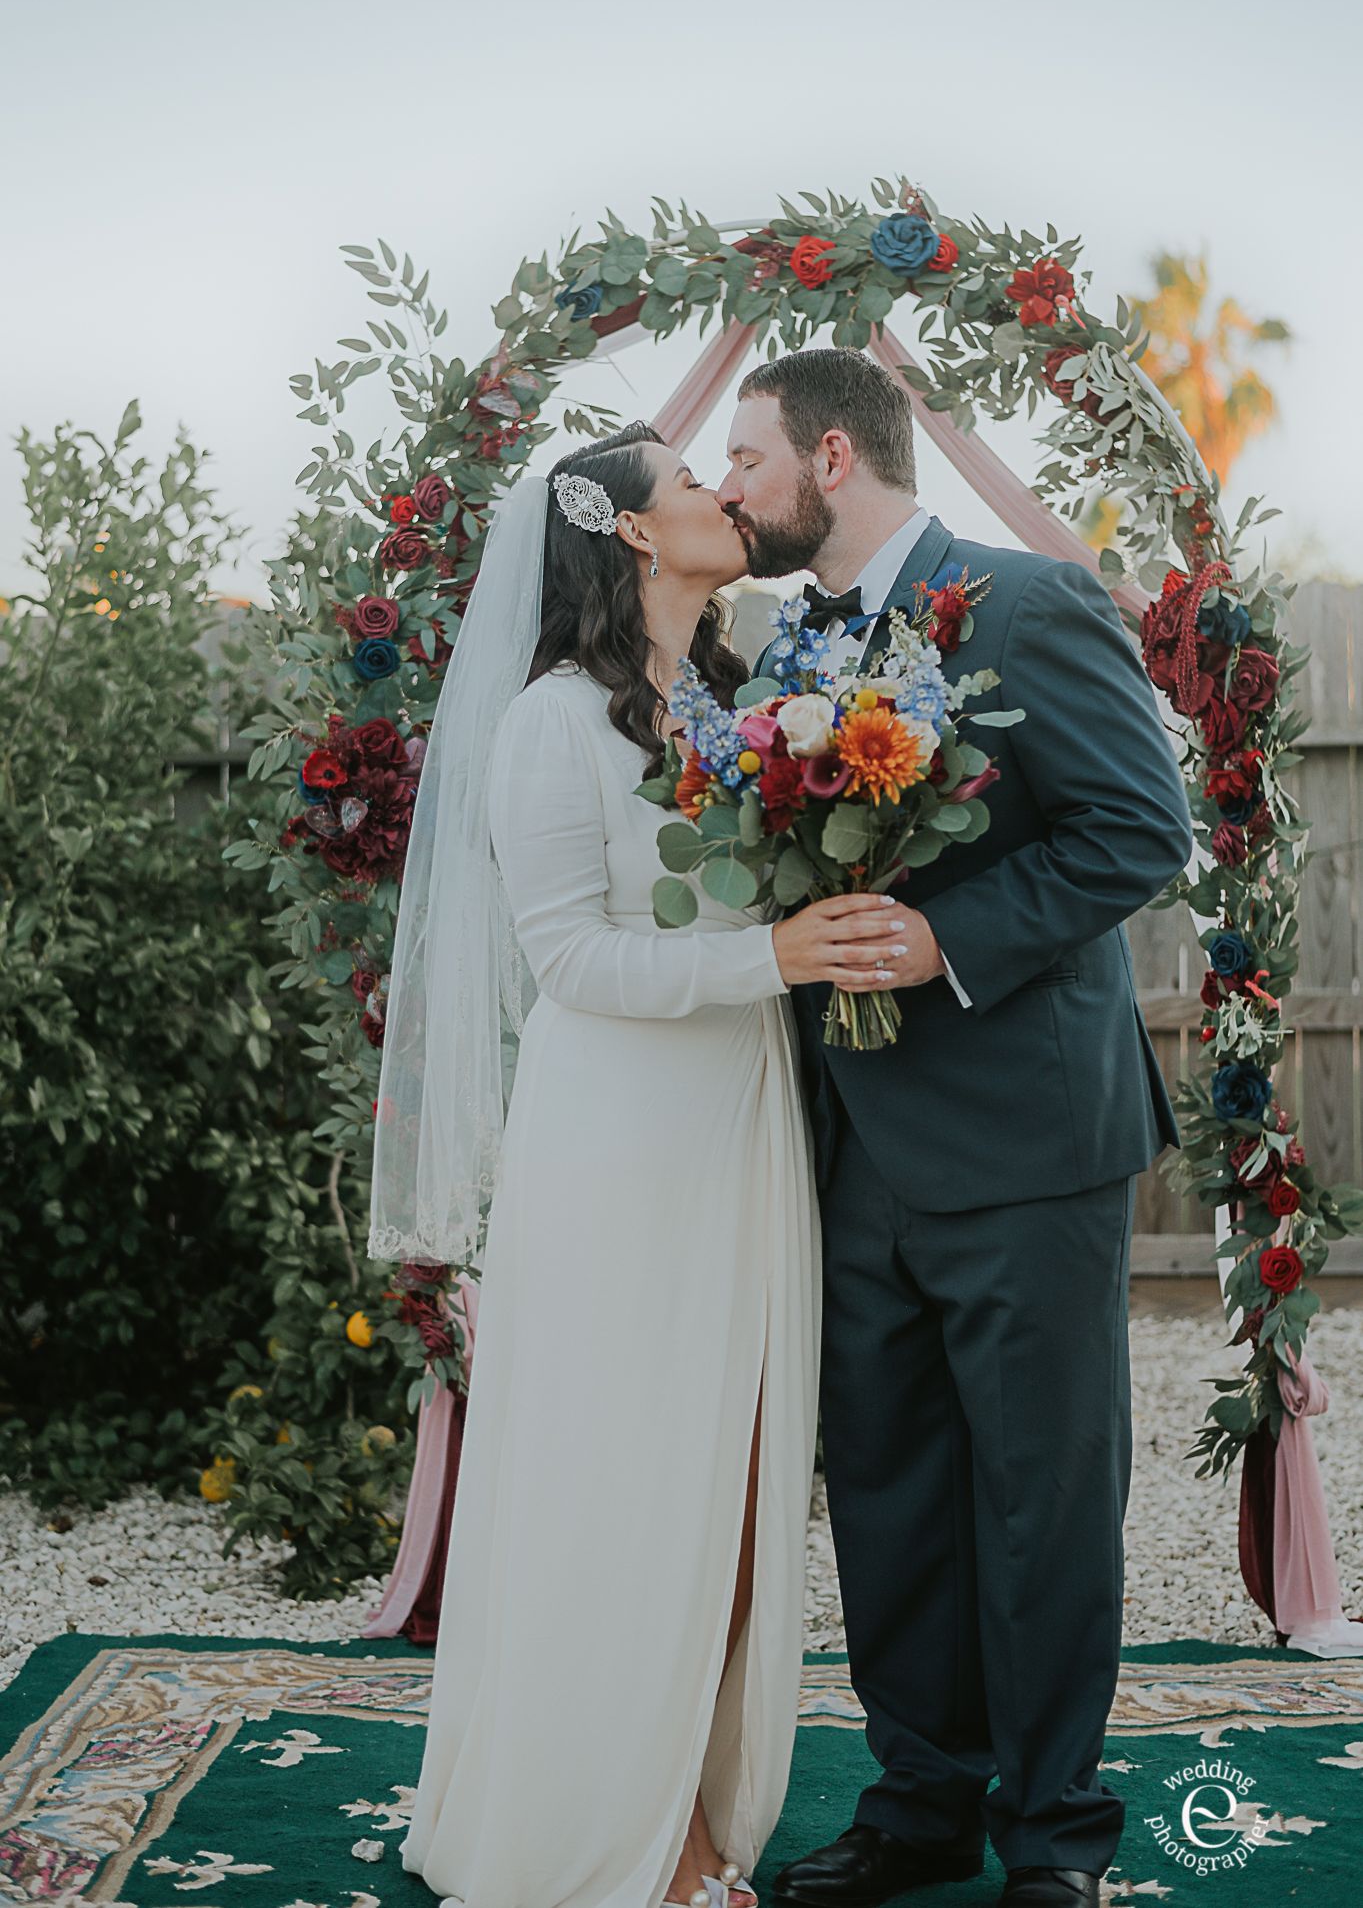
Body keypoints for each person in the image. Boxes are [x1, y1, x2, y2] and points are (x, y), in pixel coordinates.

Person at [368, 425, 908, 1908]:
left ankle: (690, 1795)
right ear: (625, 532)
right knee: (628, 1476)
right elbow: (570, 958)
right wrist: (774, 957)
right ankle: (627, 1834)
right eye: (690, 484)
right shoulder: (553, 723)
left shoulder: (731, 703)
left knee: (739, 1470)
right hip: (618, 1142)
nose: (723, 494)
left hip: (743, 1118)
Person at [718, 348, 1195, 1908]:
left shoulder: (1029, 605)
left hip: (1028, 1142)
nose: (730, 488)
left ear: (832, 455)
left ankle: (1055, 1833)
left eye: (748, 457)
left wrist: (948, 939)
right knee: (891, 1493)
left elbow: (1140, 830)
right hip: (852, 1145)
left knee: (1041, 1500)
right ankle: (920, 1800)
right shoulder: (785, 646)